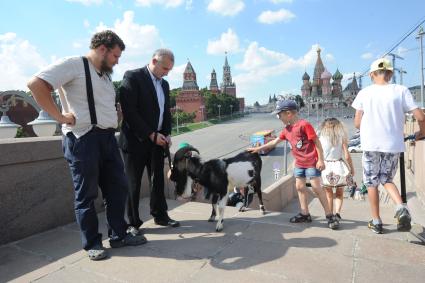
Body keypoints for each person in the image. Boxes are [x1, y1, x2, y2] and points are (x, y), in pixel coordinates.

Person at [27, 30, 147, 261]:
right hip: (83, 139)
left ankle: (118, 235)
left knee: (118, 188)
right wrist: (60, 117)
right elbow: (36, 84)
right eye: (115, 56)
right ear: (102, 49)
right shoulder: (73, 64)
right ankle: (92, 243)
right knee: (86, 195)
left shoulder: (104, 74)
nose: (117, 61)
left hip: (107, 139)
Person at [352, 57, 425, 234]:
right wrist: (421, 133)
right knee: (386, 179)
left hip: (371, 145)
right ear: (391, 74)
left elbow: (356, 123)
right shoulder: (401, 90)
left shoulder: (365, 93)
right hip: (393, 144)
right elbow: (421, 117)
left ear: (371, 75)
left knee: (371, 182)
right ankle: (401, 208)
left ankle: (376, 221)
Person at [247, 100, 337, 229]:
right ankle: (305, 214)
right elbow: (274, 142)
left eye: (279, 115)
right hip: (299, 164)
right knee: (300, 187)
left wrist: (321, 159)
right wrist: (257, 149)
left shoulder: (304, 125)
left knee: (317, 188)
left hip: (311, 162)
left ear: (288, 113)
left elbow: (317, 143)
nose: (279, 118)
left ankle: (330, 216)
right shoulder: (286, 130)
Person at [119, 48, 180, 229]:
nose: (167, 73)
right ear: (154, 61)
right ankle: (133, 223)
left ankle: (161, 215)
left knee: (158, 181)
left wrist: (167, 133)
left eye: (169, 70)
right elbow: (130, 112)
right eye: (164, 68)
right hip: (135, 141)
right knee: (134, 184)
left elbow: (165, 112)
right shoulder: (133, 77)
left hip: (157, 141)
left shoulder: (164, 84)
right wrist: (150, 134)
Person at [319, 117, 354, 228]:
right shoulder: (341, 136)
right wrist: (352, 169)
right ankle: (337, 213)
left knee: (329, 194)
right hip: (339, 166)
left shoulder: (321, 137)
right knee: (339, 194)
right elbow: (347, 156)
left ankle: (330, 217)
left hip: (326, 167)